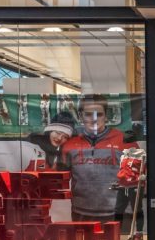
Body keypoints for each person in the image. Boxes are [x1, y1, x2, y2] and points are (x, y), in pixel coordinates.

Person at [60, 95, 139, 224]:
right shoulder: (69, 145)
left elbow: (137, 181)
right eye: (88, 114)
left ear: (106, 116)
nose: (94, 119)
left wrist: (131, 211)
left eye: (99, 114)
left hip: (119, 214)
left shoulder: (126, 142)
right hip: (81, 213)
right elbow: (59, 180)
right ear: (80, 116)